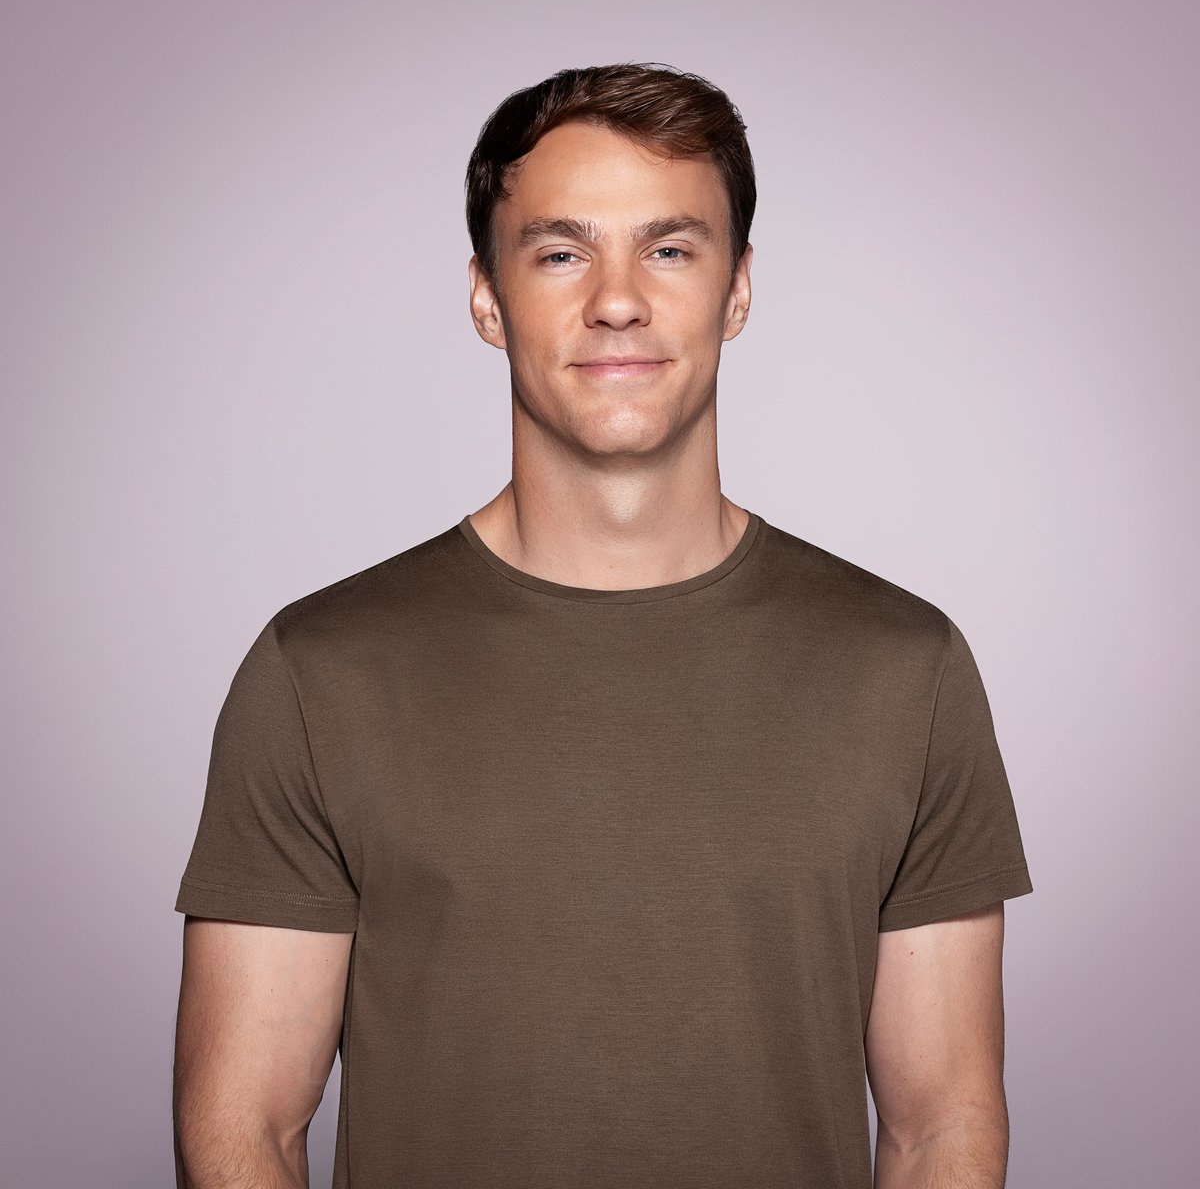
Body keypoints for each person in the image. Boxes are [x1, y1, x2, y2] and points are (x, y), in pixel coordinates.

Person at [173, 62, 1033, 1189]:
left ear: (737, 290)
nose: (618, 300)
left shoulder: (906, 673)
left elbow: (939, 1130)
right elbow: (244, 1127)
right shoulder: (317, 674)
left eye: (669, 249)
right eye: (561, 253)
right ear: (488, 299)